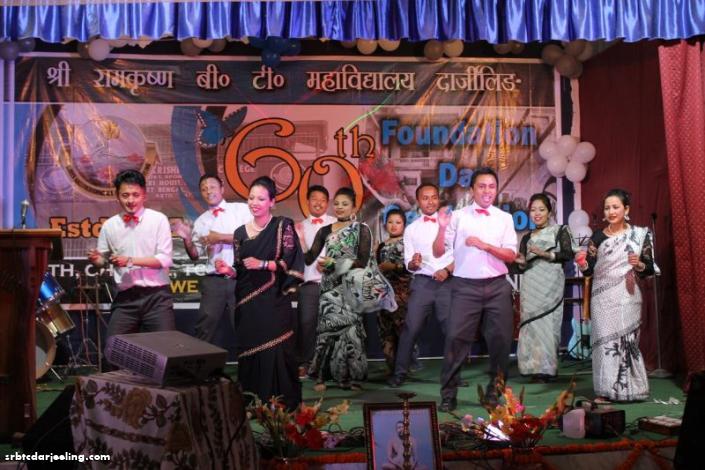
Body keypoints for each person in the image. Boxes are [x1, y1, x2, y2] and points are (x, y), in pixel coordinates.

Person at [215, 176, 304, 409]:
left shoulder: (282, 225)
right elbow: (241, 268)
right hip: (247, 302)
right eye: (251, 198)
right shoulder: (239, 233)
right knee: (250, 348)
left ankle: (281, 404)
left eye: (261, 199)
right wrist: (228, 271)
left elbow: (290, 259)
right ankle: (254, 403)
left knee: (277, 348)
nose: (255, 203)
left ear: (272, 202)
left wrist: (263, 264)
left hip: (274, 299)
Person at [433, 167, 517, 412]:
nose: (487, 191)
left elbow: (511, 255)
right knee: (455, 340)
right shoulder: (458, 217)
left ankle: (494, 393)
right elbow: (438, 252)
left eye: (491, 186)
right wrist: (441, 228)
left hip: (497, 286)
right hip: (464, 287)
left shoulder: (504, 218)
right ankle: (448, 395)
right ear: (472, 190)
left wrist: (485, 246)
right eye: (482, 186)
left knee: (501, 342)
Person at [575, 188, 654, 402]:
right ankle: (605, 390)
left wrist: (639, 264)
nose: (611, 211)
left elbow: (649, 269)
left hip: (628, 296)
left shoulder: (639, 235)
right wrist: (582, 263)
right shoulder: (598, 237)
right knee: (604, 343)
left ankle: (633, 389)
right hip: (602, 298)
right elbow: (589, 270)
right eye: (607, 208)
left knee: (627, 341)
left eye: (615, 207)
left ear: (626, 209)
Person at [305, 187, 384, 392]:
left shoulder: (362, 229)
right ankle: (321, 377)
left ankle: (352, 377)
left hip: (351, 287)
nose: (339, 207)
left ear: (354, 207)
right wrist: (295, 244)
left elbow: (362, 261)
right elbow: (309, 257)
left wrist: (335, 263)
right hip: (329, 287)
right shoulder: (324, 230)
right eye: (337, 204)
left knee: (351, 332)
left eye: (345, 204)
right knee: (327, 330)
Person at [87, 169, 175, 347]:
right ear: (117, 196)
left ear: (144, 195)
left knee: (167, 350)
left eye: (136, 195)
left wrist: (130, 260)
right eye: (125, 195)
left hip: (157, 297)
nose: (131, 200)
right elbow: (103, 260)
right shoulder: (110, 225)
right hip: (125, 299)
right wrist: (97, 260)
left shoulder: (158, 220)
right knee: (114, 349)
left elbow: (164, 259)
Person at [388, 184, 454, 388]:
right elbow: (409, 263)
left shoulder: (451, 225)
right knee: (410, 328)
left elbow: (460, 254)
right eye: (425, 198)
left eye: (434, 197)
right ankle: (400, 374)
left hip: (447, 283)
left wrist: (447, 270)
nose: (430, 201)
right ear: (418, 201)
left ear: (438, 199)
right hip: (422, 283)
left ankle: (454, 376)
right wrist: (414, 264)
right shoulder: (411, 229)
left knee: (452, 330)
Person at [172, 174, 251, 344]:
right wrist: (187, 239)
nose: (209, 191)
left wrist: (220, 237)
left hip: (240, 277)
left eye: (212, 187)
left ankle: (249, 361)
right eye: (204, 189)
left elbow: (251, 237)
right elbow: (195, 255)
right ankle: (204, 362)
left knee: (245, 326)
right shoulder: (201, 221)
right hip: (214, 280)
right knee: (204, 328)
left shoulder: (241, 210)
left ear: (222, 188)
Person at [515, 193, 577, 382]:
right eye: (533, 210)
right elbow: (522, 264)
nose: (537, 213)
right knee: (531, 325)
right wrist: (520, 263)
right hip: (530, 286)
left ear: (549, 212)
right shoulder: (526, 237)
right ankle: (531, 368)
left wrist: (546, 254)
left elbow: (568, 254)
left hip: (551, 285)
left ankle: (547, 369)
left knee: (548, 326)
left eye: (541, 209)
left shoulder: (560, 231)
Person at [294, 185, 336, 379]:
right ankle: (306, 362)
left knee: (332, 325)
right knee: (306, 324)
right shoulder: (299, 227)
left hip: (333, 284)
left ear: (327, 203)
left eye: (322, 199)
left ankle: (331, 365)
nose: (318, 203)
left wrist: (331, 265)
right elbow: (294, 257)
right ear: (307, 202)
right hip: (308, 285)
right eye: (314, 199)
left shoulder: (336, 224)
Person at [376, 208, 413, 374]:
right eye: (390, 222)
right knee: (386, 332)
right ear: (385, 225)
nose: (394, 225)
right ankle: (391, 367)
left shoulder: (407, 243)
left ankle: (403, 368)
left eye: (398, 222)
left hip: (401, 295)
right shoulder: (381, 246)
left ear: (404, 225)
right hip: (383, 294)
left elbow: (411, 268)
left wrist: (393, 267)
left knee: (402, 331)